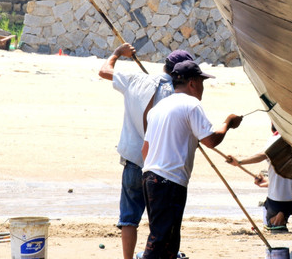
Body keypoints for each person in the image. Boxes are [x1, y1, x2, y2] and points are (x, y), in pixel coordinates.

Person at [98, 43, 194, 259]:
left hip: (134, 158)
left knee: (129, 217)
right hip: (161, 166)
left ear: (165, 68)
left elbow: (104, 71)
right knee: (160, 219)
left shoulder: (136, 80)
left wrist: (117, 53)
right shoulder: (179, 96)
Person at [141, 60, 243, 259]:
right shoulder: (192, 105)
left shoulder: (159, 108)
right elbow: (211, 140)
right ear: (193, 83)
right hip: (169, 181)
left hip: (150, 178)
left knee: (168, 240)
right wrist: (228, 122)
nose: (203, 87)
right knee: (161, 240)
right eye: (202, 82)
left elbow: (146, 150)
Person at [226, 124, 292, 233]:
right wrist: (269, 182)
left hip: (278, 200)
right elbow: (287, 176)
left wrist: (240, 162)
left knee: (271, 225)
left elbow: (263, 154)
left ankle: (278, 219)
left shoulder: (274, 140)